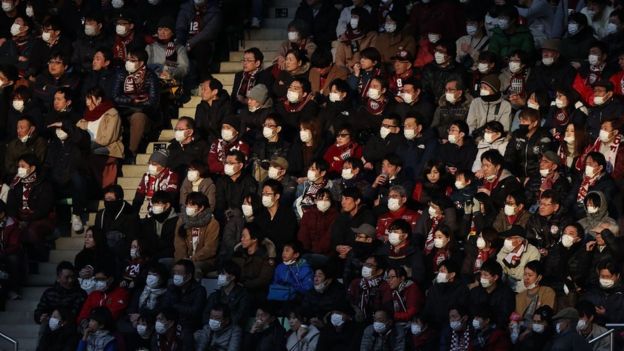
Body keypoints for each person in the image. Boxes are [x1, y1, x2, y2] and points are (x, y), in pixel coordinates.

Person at [112, 48, 159, 161]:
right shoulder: (121, 74)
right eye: (127, 59)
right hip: (123, 110)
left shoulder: (151, 76)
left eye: (132, 60)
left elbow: (152, 101)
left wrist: (137, 106)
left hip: (143, 113)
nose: (128, 62)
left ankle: (131, 152)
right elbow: (115, 96)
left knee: (138, 117)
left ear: (141, 63)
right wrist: (132, 101)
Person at [6, 153, 54, 261]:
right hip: (20, 219)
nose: (20, 169)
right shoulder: (15, 184)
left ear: (32, 168)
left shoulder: (43, 184)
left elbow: (44, 208)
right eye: (19, 166)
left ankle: (41, 258)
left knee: (31, 231)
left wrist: (27, 220)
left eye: (23, 166)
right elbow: (11, 205)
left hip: (40, 219)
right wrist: (17, 219)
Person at [162, 259, 207, 349]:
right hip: (173, 320)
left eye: (179, 273)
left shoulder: (199, 290)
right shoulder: (172, 288)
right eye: (174, 273)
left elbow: (195, 311)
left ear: (189, 276)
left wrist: (175, 305)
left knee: (185, 335)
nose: (175, 276)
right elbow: (165, 306)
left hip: (190, 325)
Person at [174, 192, 220, 279]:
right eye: (187, 204)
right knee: (165, 263)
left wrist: (192, 259)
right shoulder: (182, 220)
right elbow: (179, 244)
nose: (188, 207)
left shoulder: (212, 223)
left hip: (205, 261)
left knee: (195, 269)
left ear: (201, 208)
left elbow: (210, 248)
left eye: (192, 205)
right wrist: (182, 260)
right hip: (184, 260)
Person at [174, 0, 222, 82]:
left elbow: (208, 33)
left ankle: (204, 76)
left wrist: (190, 43)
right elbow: (180, 28)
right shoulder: (185, 9)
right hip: (186, 42)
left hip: (204, 44)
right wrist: (180, 43)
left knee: (201, 47)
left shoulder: (214, 11)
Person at [231, 222, 276, 304]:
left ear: (254, 239)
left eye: (244, 236)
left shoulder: (266, 257)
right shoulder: (238, 253)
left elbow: (263, 280)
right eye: (242, 236)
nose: (242, 239)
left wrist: (244, 285)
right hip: (238, 291)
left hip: (257, 295)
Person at [34, 261, 86, 328]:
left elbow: (77, 313)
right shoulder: (49, 293)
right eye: (67, 277)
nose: (70, 280)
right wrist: (41, 317)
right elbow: (39, 311)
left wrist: (60, 314)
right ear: (58, 278)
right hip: (51, 325)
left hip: (71, 327)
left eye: (72, 277)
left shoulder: (81, 294)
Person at [76, 264, 129, 329]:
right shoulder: (93, 294)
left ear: (111, 279)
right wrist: (85, 324)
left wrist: (93, 322)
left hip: (109, 330)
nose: (98, 282)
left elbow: (111, 316)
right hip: (89, 329)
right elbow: (83, 314)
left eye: (101, 279)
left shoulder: (121, 293)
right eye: (96, 280)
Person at [255, 179, 297, 255]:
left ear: (277, 196)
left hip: (281, 253)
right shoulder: (259, 214)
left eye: (267, 194)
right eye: (263, 194)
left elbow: (288, 237)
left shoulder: (288, 214)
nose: (264, 196)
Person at [214, 150, 258, 223]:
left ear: (240, 165)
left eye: (231, 163)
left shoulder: (249, 181)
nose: (227, 165)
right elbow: (220, 201)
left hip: (242, 218)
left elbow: (248, 203)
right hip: (224, 217)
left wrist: (236, 213)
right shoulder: (221, 180)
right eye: (226, 163)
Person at [469, 259, 516, 327]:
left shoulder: (506, 293)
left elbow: (504, 317)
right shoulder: (475, 292)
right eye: (481, 274)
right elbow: (471, 311)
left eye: (485, 275)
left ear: (495, 277)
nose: (482, 278)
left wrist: (487, 320)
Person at [205, 260, 251, 327]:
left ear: (232, 277)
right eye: (219, 273)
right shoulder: (215, 295)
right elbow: (206, 314)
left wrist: (223, 324)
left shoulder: (243, 296)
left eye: (223, 274)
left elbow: (241, 317)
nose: (219, 276)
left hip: (232, 330)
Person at [132, 149, 179, 213]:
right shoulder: (147, 176)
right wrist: (134, 213)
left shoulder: (171, 175)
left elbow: (170, 196)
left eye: (154, 164)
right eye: (149, 163)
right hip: (151, 211)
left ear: (163, 166)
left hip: (166, 211)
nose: (151, 166)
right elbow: (139, 195)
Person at [497, 225, 541, 293]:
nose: (506, 240)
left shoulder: (533, 251)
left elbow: (530, 276)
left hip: (521, 286)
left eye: (509, 238)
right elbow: (499, 264)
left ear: (519, 241)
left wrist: (515, 289)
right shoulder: (506, 248)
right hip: (505, 282)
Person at [146, 16, 190, 82]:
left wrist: (171, 73)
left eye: (166, 30)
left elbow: (184, 68)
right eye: (160, 29)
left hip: (171, 82)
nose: (162, 32)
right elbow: (146, 66)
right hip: (152, 81)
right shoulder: (150, 47)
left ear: (172, 33)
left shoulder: (179, 48)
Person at [580, 259, 624, 324]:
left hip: (615, 331)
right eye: (602, 276)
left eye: (609, 277)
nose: (605, 280)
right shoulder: (592, 291)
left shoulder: (621, 294)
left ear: (617, 276)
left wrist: (605, 314)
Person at [298, 188, 338, 257]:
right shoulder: (308, 214)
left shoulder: (335, 216)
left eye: (327, 199)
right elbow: (303, 233)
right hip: (307, 252)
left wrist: (316, 251)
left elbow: (329, 236)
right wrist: (305, 249)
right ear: (315, 201)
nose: (324, 201)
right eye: (321, 199)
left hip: (326, 253)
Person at [231, 48, 273, 113]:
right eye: (244, 60)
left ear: (257, 63)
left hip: (256, 110)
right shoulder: (239, 75)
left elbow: (263, 99)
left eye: (248, 60)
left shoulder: (265, 76)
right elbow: (233, 95)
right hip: (238, 108)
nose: (245, 63)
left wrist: (245, 100)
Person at [195, 77, 233, 144]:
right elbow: (198, 128)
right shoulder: (200, 107)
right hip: (205, 143)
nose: (202, 92)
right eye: (202, 89)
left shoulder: (227, 106)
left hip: (222, 143)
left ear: (214, 92)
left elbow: (224, 129)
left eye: (205, 89)